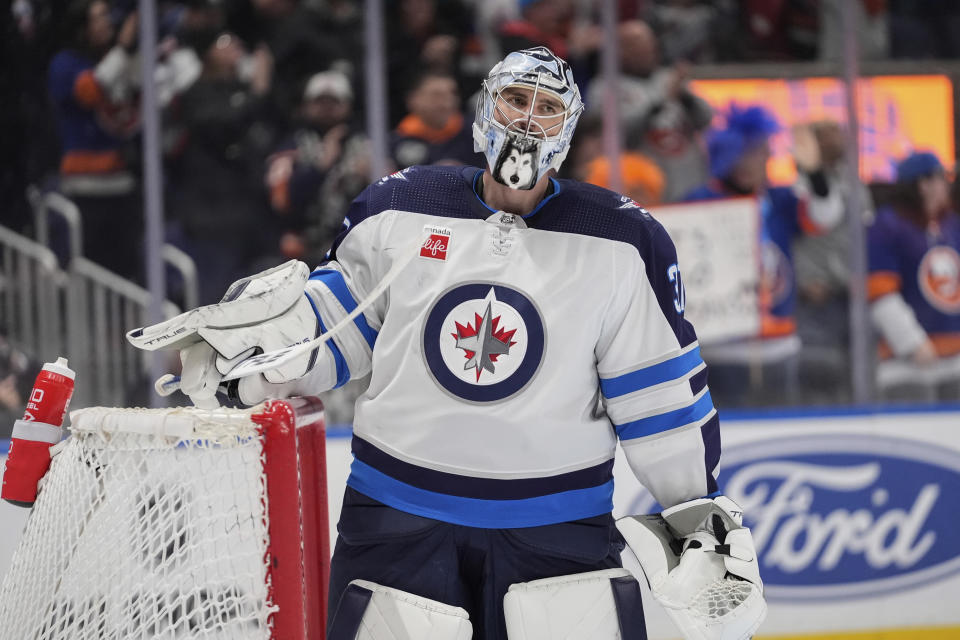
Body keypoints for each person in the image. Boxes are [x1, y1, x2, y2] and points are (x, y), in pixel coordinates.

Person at [129, 47, 765, 640]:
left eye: (548, 107)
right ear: (486, 107)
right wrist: (262, 364)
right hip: (397, 520)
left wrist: (692, 510)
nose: (529, 119)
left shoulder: (623, 242)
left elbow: (654, 392)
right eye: (517, 99)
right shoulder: (398, 208)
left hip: (555, 534)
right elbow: (337, 325)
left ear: (568, 129)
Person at [47, 0, 142, 281]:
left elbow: (137, 99)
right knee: (91, 273)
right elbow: (90, 91)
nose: (108, 23)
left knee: (124, 274)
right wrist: (122, 50)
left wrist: (131, 51)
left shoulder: (113, 59)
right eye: (99, 17)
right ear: (80, 25)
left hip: (123, 185)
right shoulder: (64, 64)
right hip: (85, 189)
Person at [868, 152, 960, 366]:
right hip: (907, 364)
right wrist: (911, 342)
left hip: (955, 357)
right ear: (923, 185)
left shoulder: (951, 224)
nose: (947, 185)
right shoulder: (887, 226)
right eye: (941, 177)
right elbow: (880, 294)